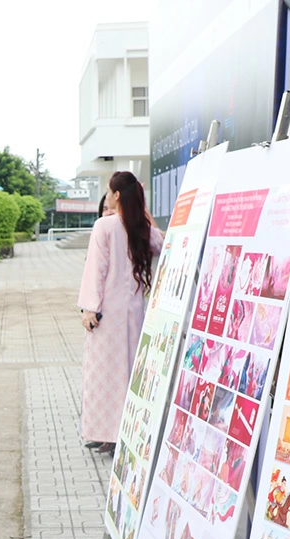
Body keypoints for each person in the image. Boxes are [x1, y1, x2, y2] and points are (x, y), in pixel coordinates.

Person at [78, 170, 163, 456]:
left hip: (108, 314)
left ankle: (107, 434)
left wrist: (90, 308)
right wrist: (147, 217)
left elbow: (96, 270)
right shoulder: (143, 229)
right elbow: (165, 245)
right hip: (136, 313)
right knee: (130, 373)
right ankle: (127, 433)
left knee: (104, 375)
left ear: (116, 196)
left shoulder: (104, 226)